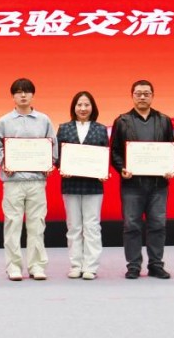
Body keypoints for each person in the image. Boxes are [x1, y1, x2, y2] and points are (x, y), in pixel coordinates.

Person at [0, 78, 58, 281]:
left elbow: (52, 145)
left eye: (26, 91)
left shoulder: (44, 120)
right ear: (13, 96)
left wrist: (50, 163)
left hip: (37, 181)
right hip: (13, 182)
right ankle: (13, 266)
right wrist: (5, 162)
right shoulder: (4, 121)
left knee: (37, 224)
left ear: (32, 95)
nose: (23, 95)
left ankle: (37, 266)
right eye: (18, 92)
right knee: (12, 223)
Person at [110, 80, 174, 279]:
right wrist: (121, 168)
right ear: (132, 96)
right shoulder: (122, 121)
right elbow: (115, 152)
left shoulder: (164, 120)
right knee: (131, 225)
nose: (142, 97)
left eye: (146, 93)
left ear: (152, 96)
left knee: (158, 224)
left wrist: (169, 168)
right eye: (138, 93)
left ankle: (156, 265)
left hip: (158, 185)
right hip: (132, 184)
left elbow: (170, 148)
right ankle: (133, 266)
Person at [55, 91, 109, 280]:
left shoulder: (101, 129)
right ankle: (76, 265)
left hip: (93, 186)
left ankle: (90, 266)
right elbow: (57, 157)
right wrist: (62, 167)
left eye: (87, 105)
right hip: (71, 184)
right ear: (74, 107)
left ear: (93, 107)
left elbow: (104, 155)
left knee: (92, 226)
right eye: (79, 105)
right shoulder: (64, 128)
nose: (83, 108)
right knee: (74, 226)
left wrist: (103, 171)